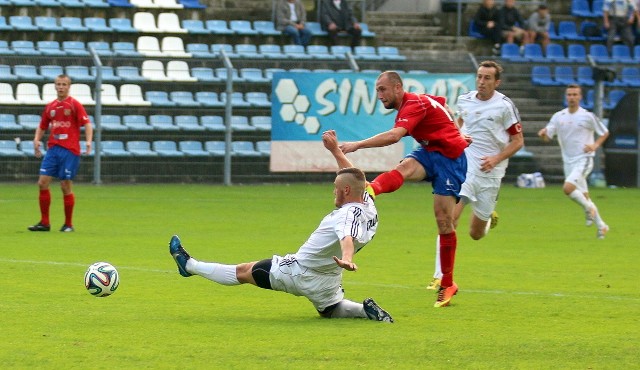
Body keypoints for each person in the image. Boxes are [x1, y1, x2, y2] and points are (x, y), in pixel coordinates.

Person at [168, 130, 393, 323]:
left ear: (345, 191)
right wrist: (336, 151)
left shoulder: (346, 215)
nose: (333, 190)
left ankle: (189, 266)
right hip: (328, 277)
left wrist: (348, 259)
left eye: (335, 187)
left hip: (298, 271)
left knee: (245, 271)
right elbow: (355, 179)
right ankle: (364, 311)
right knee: (330, 310)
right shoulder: (368, 203)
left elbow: (346, 237)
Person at [338, 71, 469, 308]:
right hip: (430, 151)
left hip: (451, 157)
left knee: (443, 221)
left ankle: (448, 283)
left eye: (382, 89)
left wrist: (358, 144)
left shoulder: (412, 105)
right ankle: (372, 190)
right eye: (377, 90)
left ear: (398, 88)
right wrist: (457, 130)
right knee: (405, 167)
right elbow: (443, 105)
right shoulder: (420, 99)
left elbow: (394, 136)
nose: (379, 95)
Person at [427, 60, 524, 291]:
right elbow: (458, 124)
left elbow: (518, 141)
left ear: (496, 82)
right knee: (448, 219)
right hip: (465, 167)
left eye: (487, 78)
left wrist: (496, 159)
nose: (481, 82)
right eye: (479, 76)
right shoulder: (465, 100)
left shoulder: (504, 106)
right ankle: (440, 276)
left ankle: (489, 218)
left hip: (491, 173)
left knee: (475, 234)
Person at [537, 84, 610, 239]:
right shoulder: (559, 116)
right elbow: (547, 137)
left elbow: (604, 132)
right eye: (569, 94)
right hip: (568, 161)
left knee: (568, 188)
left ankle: (588, 209)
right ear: (566, 96)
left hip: (583, 159)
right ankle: (602, 226)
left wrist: (595, 145)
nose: (572, 97)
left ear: (580, 97)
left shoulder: (587, 116)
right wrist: (543, 134)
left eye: (575, 94)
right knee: (584, 196)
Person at [28, 74, 92, 232]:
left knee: (65, 185)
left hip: (70, 150)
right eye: (58, 84)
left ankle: (68, 224)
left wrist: (88, 141)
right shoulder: (50, 106)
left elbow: (87, 124)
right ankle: (45, 223)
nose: (61, 87)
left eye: (64, 84)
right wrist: (36, 140)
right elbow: (42, 126)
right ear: (55, 86)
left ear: (69, 87)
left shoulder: (74, 104)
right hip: (53, 149)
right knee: (42, 182)